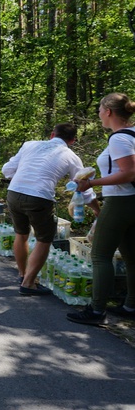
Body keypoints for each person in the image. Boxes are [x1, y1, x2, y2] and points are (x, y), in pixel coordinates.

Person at [1, 123, 100, 296]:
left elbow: (7, 170)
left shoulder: (29, 144)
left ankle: (23, 274)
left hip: (14, 192)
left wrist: (21, 179)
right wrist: (98, 210)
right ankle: (28, 283)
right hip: (39, 197)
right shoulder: (71, 156)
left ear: (52, 134)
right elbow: (85, 189)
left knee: (21, 234)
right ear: (73, 140)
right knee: (44, 240)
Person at [67, 93, 135, 325]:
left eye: (99, 109)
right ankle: (130, 305)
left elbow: (129, 172)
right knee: (131, 255)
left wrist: (91, 184)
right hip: (131, 201)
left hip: (120, 201)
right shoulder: (133, 134)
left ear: (108, 111)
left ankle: (96, 311)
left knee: (100, 255)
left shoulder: (118, 139)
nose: (97, 114)